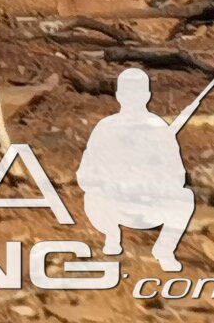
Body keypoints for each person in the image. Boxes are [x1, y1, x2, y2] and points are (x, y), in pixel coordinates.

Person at [75, 66, 196, 271]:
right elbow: (85, 175)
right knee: (93, 197)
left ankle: (164, 249)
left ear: (147, 95)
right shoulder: (105, 127)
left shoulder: (159, 128)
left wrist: (152, 184)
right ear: (119, 95)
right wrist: (113, 181)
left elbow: (177, 176)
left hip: (150, 206)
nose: (133, 98)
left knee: (185, 197)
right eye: (128, 92)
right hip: (113, 206)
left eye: (137, 92)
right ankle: (112, 238)